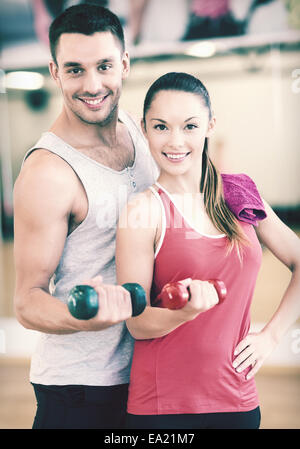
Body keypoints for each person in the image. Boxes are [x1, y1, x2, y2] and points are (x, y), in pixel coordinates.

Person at [116, 72, 300, 429]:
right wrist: (185, 313)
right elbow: (137, 323)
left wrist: (272, 335)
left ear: (209, 125)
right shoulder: (143, 211)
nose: (175, 141)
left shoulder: (240, 194)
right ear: (144, 129)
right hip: (163, 408)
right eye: (160, 127)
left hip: (238, 398)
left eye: (189, 126)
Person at [13, 4, 157, 429]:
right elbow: (27, 301)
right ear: (55, 72)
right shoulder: (48, 172)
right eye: (75, 70)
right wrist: (83, 317)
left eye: (104, 66)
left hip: (147, 374)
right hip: (80, 389)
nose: (92, 85)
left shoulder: (137, 129)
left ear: (125, 65)